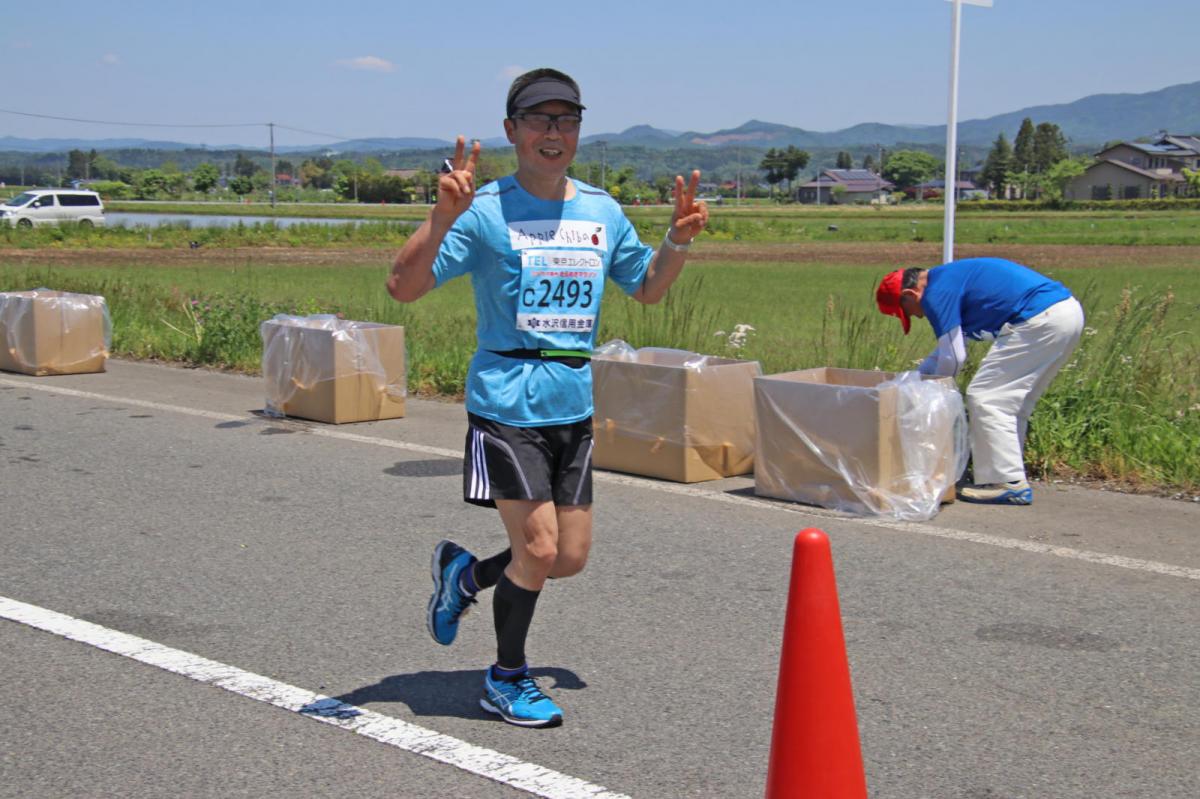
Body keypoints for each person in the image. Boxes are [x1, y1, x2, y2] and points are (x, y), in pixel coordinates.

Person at [387, 68, 708, 727]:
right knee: (535, 550)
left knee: (566, 555)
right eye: (539, 119)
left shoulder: (600, 210)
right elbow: (403, 286)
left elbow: (645, 288)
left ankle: (464, 578)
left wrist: (676, 241)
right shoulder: (483, 212)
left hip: (572, 402)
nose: (553, 132)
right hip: (506, 400)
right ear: (512, 131)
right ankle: (506, 677)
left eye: (567, 120)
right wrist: (442, 216)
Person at [875, 257, 1084, 505]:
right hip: (1065, 313)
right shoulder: (947, 281)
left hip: (1039, 319)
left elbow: (954, 357)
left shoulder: (935, 293)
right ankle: (1008, 475)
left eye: (907, 311)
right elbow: (945, 352)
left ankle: (1008, 482)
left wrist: (932, 394)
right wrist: (913, 380)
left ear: (910, 293)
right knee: (1012, 402)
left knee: (986, 397)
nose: (917, 317)